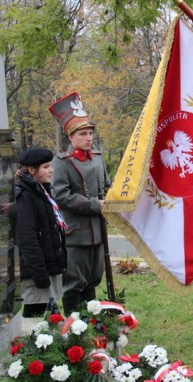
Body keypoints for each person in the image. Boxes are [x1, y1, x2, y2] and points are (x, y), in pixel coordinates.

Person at [49, 92, 111, 315]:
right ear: (71, 137)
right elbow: (62, 196)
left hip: (98, 230)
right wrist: (95, 205)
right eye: (83, 134)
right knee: (75, 282)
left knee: (94, 279)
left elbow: (106, 186)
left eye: (90, 133)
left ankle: (90, 324)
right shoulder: (62, 162)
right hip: (77, 233)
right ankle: (74, 328)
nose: (88, 138)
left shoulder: (98, 157)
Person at [15, 147, 67, 317]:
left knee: (48, 319)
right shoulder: (26, 196)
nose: (51, 170)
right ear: (32, 170)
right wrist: (40, 275)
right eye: (46, 167)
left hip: (47, 266)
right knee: (34, 317)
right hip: (37, 271)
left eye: (50, 166)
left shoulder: (41, 190)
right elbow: (28, 238)